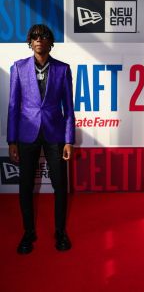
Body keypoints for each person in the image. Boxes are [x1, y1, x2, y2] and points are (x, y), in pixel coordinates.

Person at [7, 24, 75, 254]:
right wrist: (11, 140)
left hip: (55, 134)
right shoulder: (18, 68)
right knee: (25, 186)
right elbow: (13, 107)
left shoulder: (63, 69)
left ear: (50, 41)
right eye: (34, 37)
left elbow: (69, 108)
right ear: (30, 41)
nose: (38, 40)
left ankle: (60, 232)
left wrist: (69, 140)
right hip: (27, 134)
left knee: (60, 186)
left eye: (43, 36)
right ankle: (28, 232)